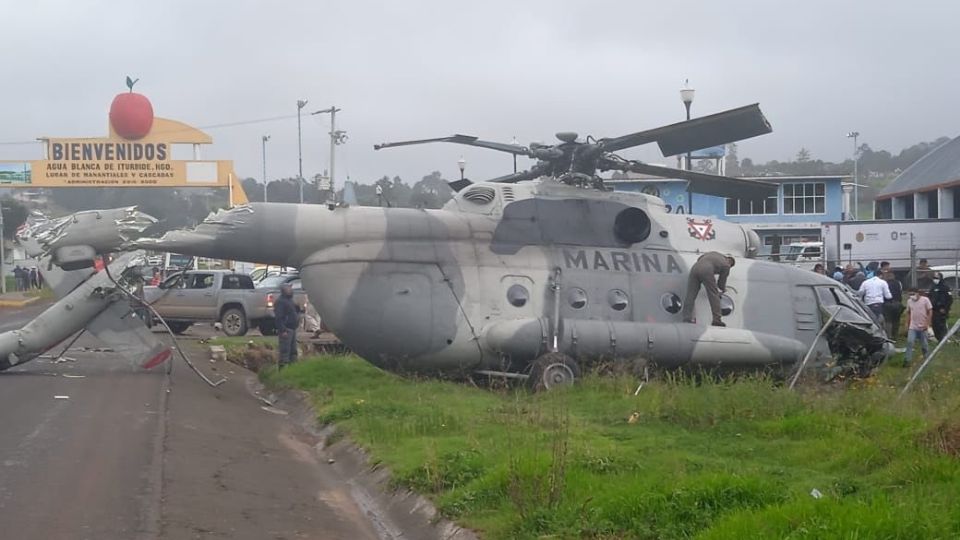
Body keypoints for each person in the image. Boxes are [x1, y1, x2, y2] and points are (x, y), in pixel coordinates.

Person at [681, 252, 735, 327]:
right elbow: (721, 283)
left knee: (691, 294)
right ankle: (717, 319)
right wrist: (723, 289)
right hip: (707, 269)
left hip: (695, 267)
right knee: (713, 294)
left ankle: (686, 317)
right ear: (730, 263)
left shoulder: (714, 254)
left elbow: (699, 258)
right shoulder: (726, 265)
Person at [274, 283, 301, 368]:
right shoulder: (280, 301)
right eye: (289, 288)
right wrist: (283, 330)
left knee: (293, 352)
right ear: (284, 290)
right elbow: (279, 317)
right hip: (286, 330)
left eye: (291, 288)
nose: (291, 289)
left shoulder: (290, 300)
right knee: (285, 351)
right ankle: (282, 370)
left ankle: (293, 369)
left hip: (293, 329)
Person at [904, 288, 933, 366]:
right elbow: (908, 313)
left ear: (918, 293)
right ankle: (907, 360)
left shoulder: (925, 300)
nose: (911, 296)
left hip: (923, 326)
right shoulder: (909, 301)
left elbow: (930, 311)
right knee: (910, 342)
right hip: (913, 326)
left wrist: (927, 324)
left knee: (924, 344)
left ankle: (926, 359)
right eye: (909, 294)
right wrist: (907, 323)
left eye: (913, 294)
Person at [928, 272, 953, 341]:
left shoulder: (945, 287)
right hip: (933, 309)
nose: (935, 279)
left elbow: (950, 299)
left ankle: (943, 339)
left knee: (941, 325)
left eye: (937, 278)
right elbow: (930, 297)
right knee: (934, 325)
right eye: (934, 278)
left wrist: (945, 308)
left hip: (941, 310)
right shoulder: (933, 287)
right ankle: (939, 338)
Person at [882, 269, 904, 340]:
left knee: (888, 320)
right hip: (897, 303)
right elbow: (901, 292)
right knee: (896, 320)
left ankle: (889, 336)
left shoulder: (884, 283)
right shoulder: (898, 283)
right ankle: (895, 336)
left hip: (887, 303)